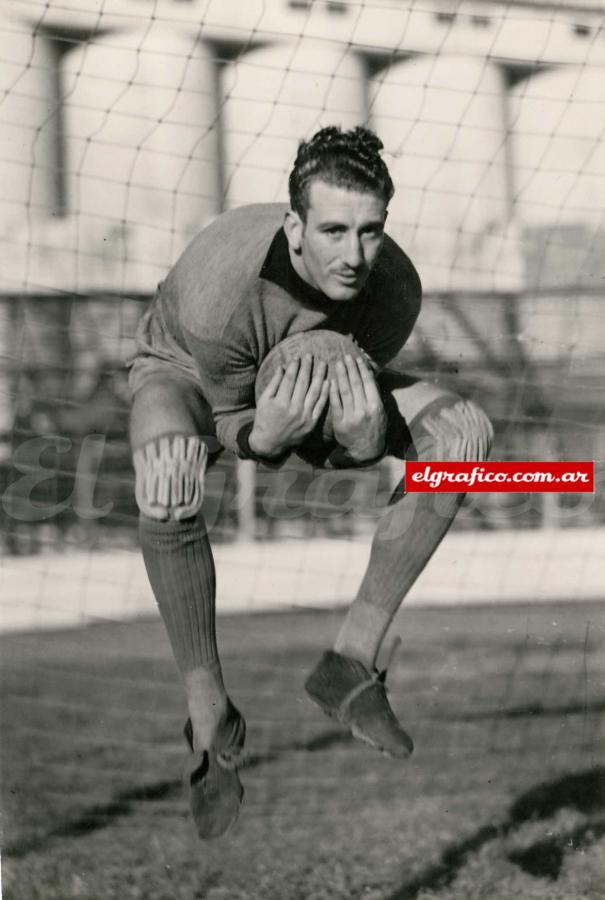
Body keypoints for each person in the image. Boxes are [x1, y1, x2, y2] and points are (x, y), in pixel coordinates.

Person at [127, 125, 493, 839]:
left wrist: (359, 447)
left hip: (305, 378)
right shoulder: (219, 289)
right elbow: (245, 437)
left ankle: (350, 660)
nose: (353, 256)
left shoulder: (393, 290)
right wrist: (271, 433)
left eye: (369, 231)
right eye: (331, 230)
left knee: (462, 438)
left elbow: (335, 435)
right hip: (191, 374)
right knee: (168, 475)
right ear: (294, 225)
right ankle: (210, 720)